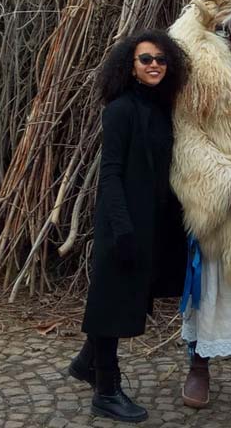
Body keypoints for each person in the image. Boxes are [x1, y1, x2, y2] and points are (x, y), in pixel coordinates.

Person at [65, 30, 190, 423]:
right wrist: (121, 228)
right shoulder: (120, 110)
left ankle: (87, 362)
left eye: (160, 60)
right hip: (122, 221)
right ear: (130, 67)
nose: (154, 65)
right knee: (111, 304)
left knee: (122, 298)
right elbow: (111, 173)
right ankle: (106, 389)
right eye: (145, 59)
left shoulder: (162, 108)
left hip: (152, 223)